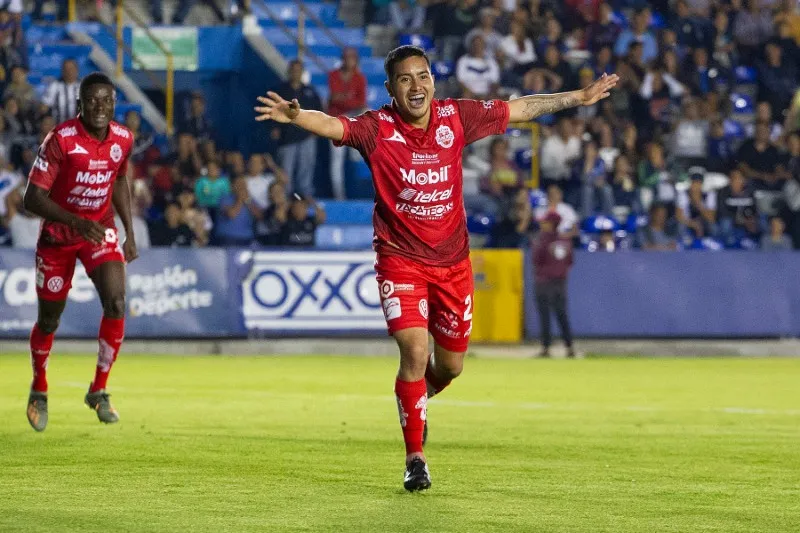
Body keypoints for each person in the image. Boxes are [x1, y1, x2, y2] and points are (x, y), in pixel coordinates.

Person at [255, 44, 618, 491]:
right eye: (405, 79)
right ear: (391, 88)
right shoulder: (377, 128)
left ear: (432, 81)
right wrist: (297, 117)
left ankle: (417, 401)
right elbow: (334, 124)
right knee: (413, 351)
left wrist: (578, 97)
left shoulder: (456, 117)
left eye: (422, 76)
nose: (416, 86)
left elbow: (520, 108)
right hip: (400, 261)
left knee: (450, 367)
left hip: (453, 265)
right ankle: (416, 459)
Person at [22, 72, 136, 432]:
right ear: (79, 105)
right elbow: (32, 198)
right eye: (92, 100)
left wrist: (129, 231)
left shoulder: (123, 138)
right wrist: (75, 221)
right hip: (58, 236)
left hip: (98, 229)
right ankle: (39, 388)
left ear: (114, 103)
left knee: (116, 302)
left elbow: (119, 178)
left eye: (106, 100)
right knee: (49, 320)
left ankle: (98, 390)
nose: (99, 107)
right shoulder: (61, 140)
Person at [532, 211, 575, 358]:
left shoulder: (542, 240)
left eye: (545, 222)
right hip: (560, 283)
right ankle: (569, 347)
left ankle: (546, 348)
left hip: (544, 283)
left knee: (545, 316)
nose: (542, 224)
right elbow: (570, 262)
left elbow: (536, 260)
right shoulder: (566, 241)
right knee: (562, 315)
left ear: (551, 224)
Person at [327, 48, 367, 200]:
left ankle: (356, 150)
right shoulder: (334, 74)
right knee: (336, 161)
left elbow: (361, 102)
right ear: (342, 59)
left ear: (356, 60)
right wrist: (350, 99)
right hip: (335, 120)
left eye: (352, 58)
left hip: (352, 120)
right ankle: (339, 196)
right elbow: (333, 98)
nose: (349, 61)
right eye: (346, 57)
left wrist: (343, 98)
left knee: (366, 112)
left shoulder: (360, 78)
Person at [42, 59, 80, 125]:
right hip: (59, 126)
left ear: (77, 70)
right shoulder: (54, 85)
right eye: (66, 69)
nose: (69, 71)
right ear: (62, 71)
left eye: (71, 69)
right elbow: (44, 107)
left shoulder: (83, 86)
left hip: (79, 126)